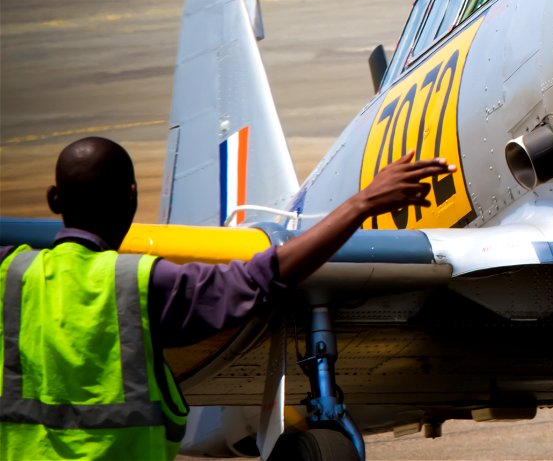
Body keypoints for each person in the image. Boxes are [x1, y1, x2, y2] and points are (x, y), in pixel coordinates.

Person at [0, 136, 454, 461]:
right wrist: (363, 204)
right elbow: (262, 278)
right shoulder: (141, 284)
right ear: (132, 198)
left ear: (55, 198)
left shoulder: (8, 274)